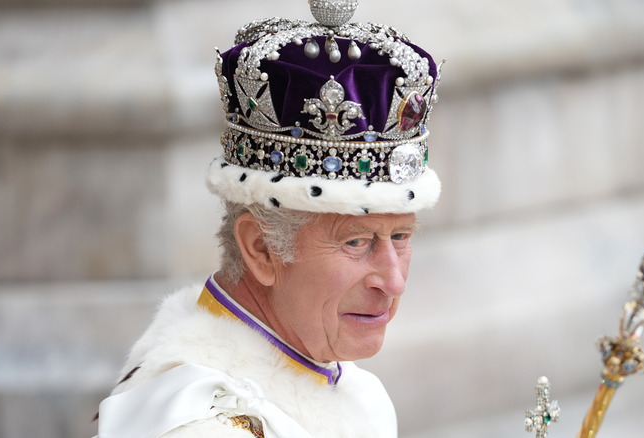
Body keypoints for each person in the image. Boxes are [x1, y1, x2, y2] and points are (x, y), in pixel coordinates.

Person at [95, 1, 442, 437]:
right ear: (260, 250)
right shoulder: (203, 425)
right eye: (356, 242)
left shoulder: (340, 380)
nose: (393, 282)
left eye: (401, 236)